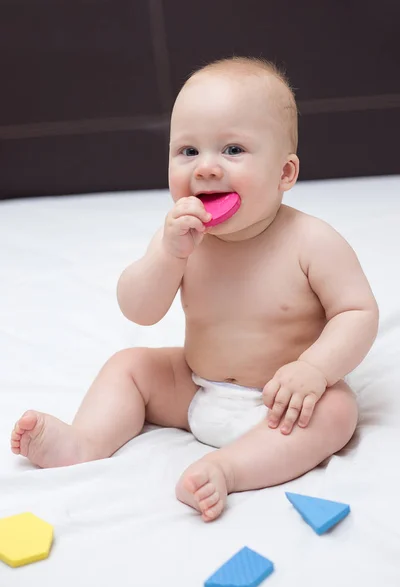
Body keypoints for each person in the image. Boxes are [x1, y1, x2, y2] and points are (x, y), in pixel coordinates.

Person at [11, 56, 379, 522]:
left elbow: (357, 312)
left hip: (282, 402)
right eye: (188, 151)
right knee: (130, 365)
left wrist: (314, 370)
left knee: (338, 411)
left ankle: (228, 469)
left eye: (232, 150)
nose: (205, 168)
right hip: (195, 388)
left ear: (285, 173)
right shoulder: (182, 239)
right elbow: (139, 309)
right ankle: (85, 441)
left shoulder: (312, 241)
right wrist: (168, 255)